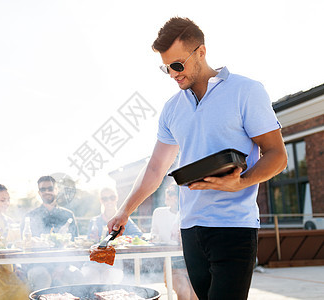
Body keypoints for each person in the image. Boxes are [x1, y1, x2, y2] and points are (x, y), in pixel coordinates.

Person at [107, 17, 288, 300]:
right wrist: (124, 210)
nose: (172, 74)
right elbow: (155, 168)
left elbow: (277, 155)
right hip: (190, 229)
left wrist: (242, 182)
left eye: (178, 65)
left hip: (234, 226)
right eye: (166, 67)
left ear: (201, 52)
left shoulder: (246, 91)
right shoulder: (172, 109)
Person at [23, 175, 82, 290]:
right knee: (42, 276)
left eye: (50, 188)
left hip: (64, 265)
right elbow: (25, 246)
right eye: (43, 189)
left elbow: (74, 246)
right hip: (37, 265)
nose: (47, 192)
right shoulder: (30, 216)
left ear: (56, 190)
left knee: (77, 275)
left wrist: (62, 266)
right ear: (39, 192)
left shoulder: (68, 215)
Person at [81, 187, 143, 284]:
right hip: (94, 263)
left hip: (114, 264)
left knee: (108, 279)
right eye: (105, 199)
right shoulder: (95, 221)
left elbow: (138, 235)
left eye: (112, 197)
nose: (108, 201)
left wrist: (122, 239)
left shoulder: (123, 219)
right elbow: (89, 241)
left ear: (116, 198)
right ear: (100, 200)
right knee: (90, 277)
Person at [151, 184, 197, 300]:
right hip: (173, 264)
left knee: (196, 295)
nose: (168, 195)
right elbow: (154, 235)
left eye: (172, 193)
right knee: (184, 292)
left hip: (192, 264)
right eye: (168, 192)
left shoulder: (190, 214)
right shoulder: (159, 213)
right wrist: (154, 239)